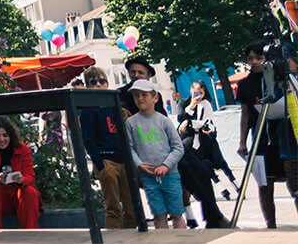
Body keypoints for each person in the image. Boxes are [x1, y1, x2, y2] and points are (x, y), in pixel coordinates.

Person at [118, 56, 223, 227]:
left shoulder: (155, 95)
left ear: (148, 76)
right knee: (180, 174)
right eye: (133, 72)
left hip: (166, 147)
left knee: (201, 171)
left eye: (140, 72)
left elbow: (165, 125)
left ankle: (214, 218)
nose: (136, 75)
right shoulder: (122, 95)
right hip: (145, 153)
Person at [236, 40, 298, 229]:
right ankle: (270, 226)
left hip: (286, 139)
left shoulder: (284, 79)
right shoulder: (245, 84)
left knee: (293, 182)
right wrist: (243, 142)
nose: (254, 62)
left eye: (259, 58)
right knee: (265, 185)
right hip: (261, 140)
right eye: (250, 59)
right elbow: (245, 114)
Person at [78, 66, 136, 229]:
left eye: (102, 81)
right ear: (87, 86)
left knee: (131, 206)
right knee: (113, 207)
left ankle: (131, 238)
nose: (98, 85)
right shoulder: (88, 111)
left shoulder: (116, 107)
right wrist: (100, 163)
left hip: (124, 160)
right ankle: (113, 238)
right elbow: (88, 139)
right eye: (93, 82)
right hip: (106, 160)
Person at [125, 79, 187, 229]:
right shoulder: (130, 123)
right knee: (159, 216)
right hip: (149, 177)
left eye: (144, 95)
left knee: (176, 215)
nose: (140, 98)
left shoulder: (164, 121)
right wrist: (140, 165)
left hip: (170, 175)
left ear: (155, 98)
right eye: (136, 95)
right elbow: (130, 148)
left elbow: (178, 147)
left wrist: (166, 166)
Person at [0, 116, 41, 229]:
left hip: (19, 197)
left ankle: (31, 235)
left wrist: (22, 180)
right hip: (0, 197)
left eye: (5, 135)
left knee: (29, 191)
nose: (1, 139)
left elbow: (30, 177)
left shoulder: (23, 149)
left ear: (11, 136)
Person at [179, 80, 236, 196]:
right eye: (196, 92)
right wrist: (191, 106)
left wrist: (189, 123)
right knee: (187, 160)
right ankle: (212, 186)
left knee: (219, 161)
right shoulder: (183, 103)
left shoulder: (206, 104)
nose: (198, 95)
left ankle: (236, 184)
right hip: (189, 136)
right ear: (191, 91)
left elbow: (206, 121)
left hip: (204, 136)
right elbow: (180, 118)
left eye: (200, 92)